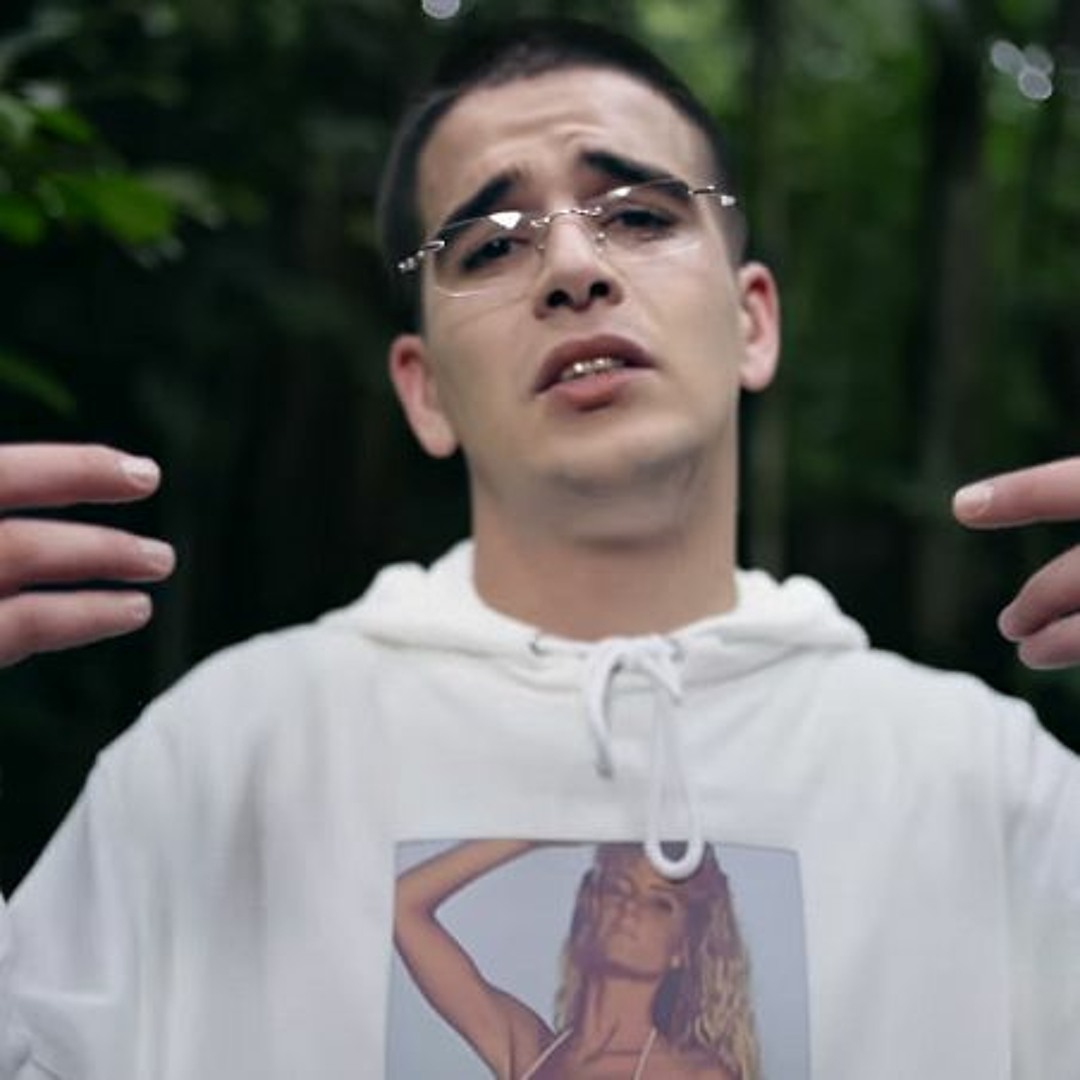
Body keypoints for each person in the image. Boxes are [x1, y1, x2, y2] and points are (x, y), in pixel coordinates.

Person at [0, 16, 1077, 1080]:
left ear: (753, 322)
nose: (571, 265)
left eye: (640, 215)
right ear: (424, 390)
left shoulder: (990, 788)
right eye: (490, 245)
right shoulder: (221, 763)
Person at [393, 841, 759, 1079]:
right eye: (617, 887)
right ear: (590, 907)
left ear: (682, 950)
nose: (630, 906)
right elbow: (399, 906)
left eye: (661, 903)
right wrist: (537, 831)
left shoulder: (696, 1076)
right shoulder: (529, 1052)